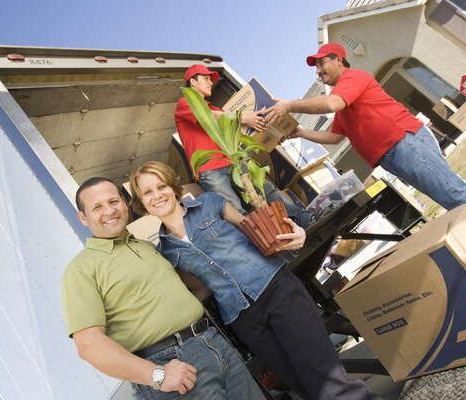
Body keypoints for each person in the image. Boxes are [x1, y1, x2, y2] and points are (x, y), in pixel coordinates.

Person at [264, 42, 466, 264]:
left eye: (321, 63)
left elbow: (331, 104)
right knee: (452, 192)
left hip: (403, 142)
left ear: (339, 60)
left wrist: (289, 105)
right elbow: (336, 136)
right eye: (316, 66)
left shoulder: (351, 80)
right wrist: (301, 133)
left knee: (453, 193)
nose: (318, 70)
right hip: (395, 152)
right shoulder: (342, 96)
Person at [128, 161, 381, 400]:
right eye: (147, 192)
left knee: (328, 381)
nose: (157, 195)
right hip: (243, 319)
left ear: (173, 187)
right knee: (304, 385)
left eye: (161, 186)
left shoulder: (210, 203)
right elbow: (201, 290)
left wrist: (296, 234)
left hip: (275, 290)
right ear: (141, 203)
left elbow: (257, 228)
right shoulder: (165, 251)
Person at [60, 177, 265, 399]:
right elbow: (89, 345)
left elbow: (197, 288)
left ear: (124, 203)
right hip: (171, 365)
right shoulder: (80, 269)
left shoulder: (147, 246)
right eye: (97, 207)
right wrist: (157, 375)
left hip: (213, 342)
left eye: (114, 201)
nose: (109, 211)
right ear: (83, 217)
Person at [175, 64, 312, 228]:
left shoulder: (219, 110)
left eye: (210, 79)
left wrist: (274, 134)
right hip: (210, 169)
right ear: (192, 82)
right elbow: (208, 116)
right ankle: (263, 244)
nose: (210, 82)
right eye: (205, 78)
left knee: (267, 190)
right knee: (236, 211)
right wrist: (243, 117)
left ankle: (305, 221)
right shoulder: (186, 102)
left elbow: (239, 134)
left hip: (234, 161)